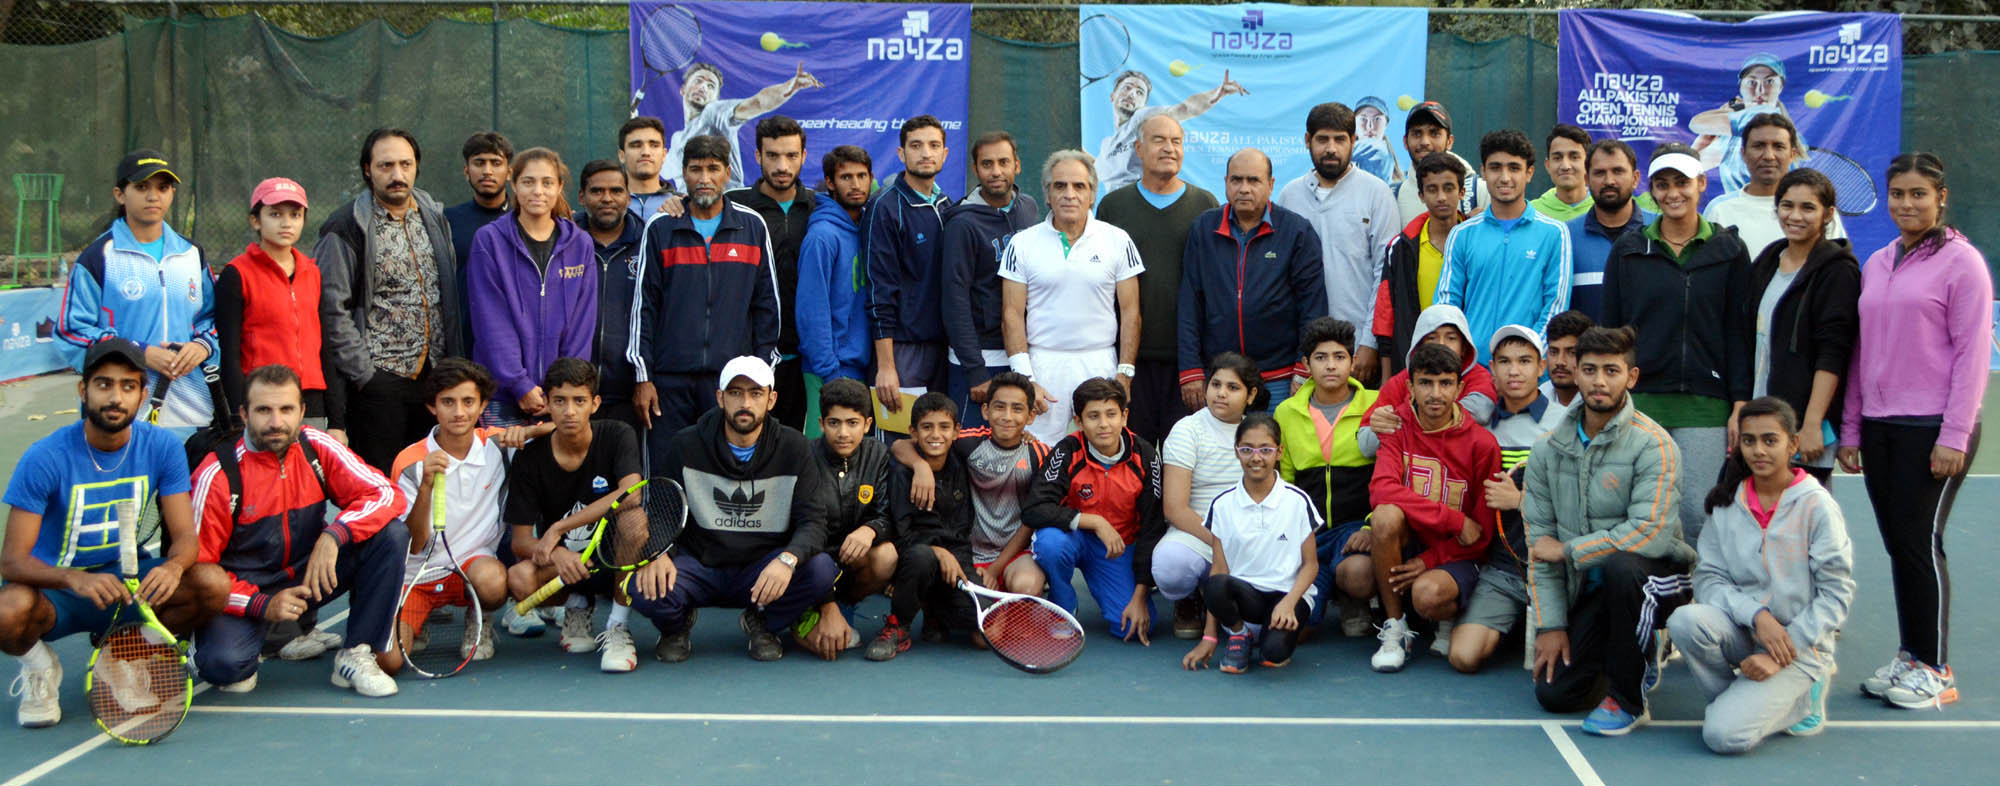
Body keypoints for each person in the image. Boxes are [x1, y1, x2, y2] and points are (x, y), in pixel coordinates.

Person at [1, 339, 227, 728]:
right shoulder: (45, 457)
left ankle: (121, 657)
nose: (115, 397)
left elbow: (186, 538)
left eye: (128, 386)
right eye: (104, 384)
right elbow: (12, 560)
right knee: (6, 613)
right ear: (83, 390)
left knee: (211, 584)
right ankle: (39, 666)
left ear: (142, 394)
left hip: (126, 584)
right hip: (56, 592)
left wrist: (173, 567)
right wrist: (72, 578)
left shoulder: (161, 448)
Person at [1837, 153, 1991, 710]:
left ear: (1940, 197)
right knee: (1900, 544)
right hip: (1880, 427)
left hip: (1934, 428)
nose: (1907, 204)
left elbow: (1974, 354)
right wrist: (1851, 427)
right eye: (1898, 194)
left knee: (1921, 543)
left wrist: (1954, 435)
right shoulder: (1878, 262)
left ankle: (1935, 668)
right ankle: (1910, 654)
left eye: (1918, 194)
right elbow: (1861, 351)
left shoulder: (1963, 262)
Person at [191, 364, 409, 697]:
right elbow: (199, 572)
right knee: (226, 669)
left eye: (286, 409)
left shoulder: (315, 447)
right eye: (264, 410)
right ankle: (253, 638)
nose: (276, 422)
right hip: (248, 592)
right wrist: (262, 604)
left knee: (391, 535)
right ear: (244, 414)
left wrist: (335, 534)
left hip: (308, 578)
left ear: (302, 411)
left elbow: (387, 493)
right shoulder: (218, 474)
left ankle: (355, 654)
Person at [1523, 326, 1695, 737]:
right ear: (1573, 374)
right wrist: (1551, 626)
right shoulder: (1547, 450)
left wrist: (1569, 551)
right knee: (1556, 695)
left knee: (1623, 568)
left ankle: (1629, 698)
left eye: (1612, 371)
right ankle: (1622, 649)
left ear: (1630, 378)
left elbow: (1649, 534)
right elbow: (1539, 546)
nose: (1600, 381)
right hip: (1589, 588)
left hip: (1661, 579)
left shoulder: (1655, 444)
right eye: (1590, 370)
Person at [1668, 397, 1854, 754]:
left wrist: (1784, 649)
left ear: (1793, 444)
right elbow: (1708, 580)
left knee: (1723, 737)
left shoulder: (1816, 506)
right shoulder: (1726, 503)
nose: (1758, 450)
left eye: (1771, 440)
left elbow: (1836, 595)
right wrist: (1756, 614)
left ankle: (1802, 697)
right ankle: (1737, 701)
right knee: (1685, 621)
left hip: (1800, 645)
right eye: (1749, 441)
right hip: (1746, 629)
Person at [626, 356, 840, 663]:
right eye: (736, 392)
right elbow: (663, 510)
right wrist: (658, 552)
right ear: (720, 397)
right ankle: (676, 626)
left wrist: (787, 558)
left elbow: (814, 522)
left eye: (755, 394)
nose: (745, 402)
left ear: (771, 400)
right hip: (700, 565)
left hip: (761, 568)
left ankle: (762, 623)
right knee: (641, 584)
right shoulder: (685, 444)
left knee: (821, 569)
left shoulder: (795, 447)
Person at [1602, 143, 1753, 542]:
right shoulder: (1629, 249)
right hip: (1641, 403)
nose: (1673, 193)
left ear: (1701, 184)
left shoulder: (1730, 250)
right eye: (1663, 184)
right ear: (1651, 191)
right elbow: (1612, 331)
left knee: (1695, 517)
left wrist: (1739, 402)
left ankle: (1696, 603)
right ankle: (1647, 603)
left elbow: (1739, 334)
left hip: (1706, 407)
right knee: (1638, 514)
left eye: (1682, 182)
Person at [629, 134, 782, 469]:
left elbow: (767, 308)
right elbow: (644, 307)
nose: (705, 178)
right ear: (683, 173)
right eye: (696, 169)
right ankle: (667, 525)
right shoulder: (660, 228)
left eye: (713, 169)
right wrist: (644, 376)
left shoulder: (751, 226)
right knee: (667, 470)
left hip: (730, 380)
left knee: (725, 470)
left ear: (728, 173)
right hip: (669, 381)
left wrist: (759, 376)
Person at [316, 128, 465, 472]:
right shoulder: (346, 226)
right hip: (379, 383)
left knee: (429, 484)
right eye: (386, 166)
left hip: (433, 381)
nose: (397, 175)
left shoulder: (431, 214)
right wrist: (365, 374)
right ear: (367, 169)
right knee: (383, 488)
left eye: (405, 164)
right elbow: (330, 308)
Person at [500, 359, 645, 671]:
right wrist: (559, 554)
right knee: (519, 579)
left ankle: (618, 627)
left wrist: (559, 529)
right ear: (547, 405)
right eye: (559, 401)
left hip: (616, 562)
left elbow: (632, 493)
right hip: (568, 568)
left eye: (579, 401)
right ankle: (576, 605)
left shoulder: (618, 434)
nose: (569, 412)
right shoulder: (530, 457)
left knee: (634, 522)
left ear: (594, 404)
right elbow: (521, 542)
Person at [1365, 343, 1500, 673]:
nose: (1435, 393)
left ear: (1460, 387)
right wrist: (1452, 519)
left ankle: (1446, 617)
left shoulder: (1483, 444)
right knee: (1384, 516)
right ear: (1410, 387)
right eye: (1426, 382)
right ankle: (1395, 628)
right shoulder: (1398, 427)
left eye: (1445, 383)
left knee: (1428, 596)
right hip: (1415, 537)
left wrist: (1429, 561)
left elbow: (1479, 535)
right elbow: (1381, 489)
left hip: (1456, 554)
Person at [57, 150, 216, 430]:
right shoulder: (98, 257)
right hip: (120, 415)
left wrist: (202, 346)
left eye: (163, 188)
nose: (153, 196)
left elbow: (214, 318)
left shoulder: (192, 254)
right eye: (141, 187)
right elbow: (72, 331)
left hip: (193, 411)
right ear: (120, 194)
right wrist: (138, 353)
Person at [1447, 326, 1569, 673]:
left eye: (1524, 361)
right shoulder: (1477, 426)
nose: (1514, 371)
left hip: (1558, 568)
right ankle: (1514, 623)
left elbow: (1579, 502)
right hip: (1502, 568)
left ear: (1541, 367)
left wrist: (1519, 502)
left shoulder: (1566, 425)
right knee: (1463, 656)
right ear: (1491, 368)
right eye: (1504, 361)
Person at [1000, 149, 1143, 445]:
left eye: (1079, 186)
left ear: (1092, 194)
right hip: (1043, 365)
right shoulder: (1022, 243)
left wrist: (1124, 374)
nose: (1069, 194)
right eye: (1059, 186)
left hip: (1100, 362)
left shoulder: (1118, 240)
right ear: (1047, 195)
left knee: (1101, 452)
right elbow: (1011, 314)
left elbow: (1131, 313)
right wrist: (1027, 378)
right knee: (1038, 454)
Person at [1095, 114, 1219, 445]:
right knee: (1135, 454)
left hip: (1189, 363)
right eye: (1159, 140)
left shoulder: (1205, 205)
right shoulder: (1113, 206)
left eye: (1176, 141)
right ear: (1138, 148)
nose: (1169, 148)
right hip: (1128, 362)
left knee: (1183, 457)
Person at [1177, 149, 1327, 411]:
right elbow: (1190, 304)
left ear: (1270, 185)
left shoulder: (1296, 231)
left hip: (1279, 380)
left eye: (1254, 180)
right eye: (1236, 180)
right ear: (1225, 183)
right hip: (1221, 380)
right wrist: (1191, 369)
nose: (1244, 188)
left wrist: (1303, 368)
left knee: (1273, 450)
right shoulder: (1204, 229)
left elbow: (1312, 308)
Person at [387, 359, 513, 665]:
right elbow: (414, 543)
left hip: (471, 569)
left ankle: (479, 618)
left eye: (468, 402)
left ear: (483, 405)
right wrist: (427, 486)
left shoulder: (498, 446)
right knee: (388, 662)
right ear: (432, 407)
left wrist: (527, 434)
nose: (459, 412)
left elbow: (560, 429)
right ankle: (418, 621)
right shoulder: (410, 462)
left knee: (495, 583)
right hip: (416, 577)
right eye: (448, 402)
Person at [1023, 378, 1165, 641]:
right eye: (1093, 416)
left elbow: (1153, 526)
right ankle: (1063, 606)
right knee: (1050, 544)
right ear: (1078, 421)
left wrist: (1140, 595)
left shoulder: (1145, 455)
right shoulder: (1067, 451)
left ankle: (1118, 590)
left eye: (1111, 414)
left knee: (1132, 628)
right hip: (1073, 537)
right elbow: (1034, 509)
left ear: (1124, 416)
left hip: (1117, 547)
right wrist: (1095, 522)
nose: (1103, 424)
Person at [1179, 414, 1321, 674]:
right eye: (1247, 449)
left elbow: (1311, 565)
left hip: (1286, 596)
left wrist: (1289, 602)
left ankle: (1270, 636)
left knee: (1274, 654)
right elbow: (1219, 570)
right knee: (1216, 584)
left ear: (1279, 452)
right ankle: (1239, 633)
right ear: (1236, 452)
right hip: (1246, 599)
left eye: (1265, 450)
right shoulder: (1221, 504)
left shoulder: (1297, 501)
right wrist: (1209, 637)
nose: (1256, 458)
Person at [467, 147, 597, 427]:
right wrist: (519, 384)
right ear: (513, 184)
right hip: (502, 396)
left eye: (547, 183)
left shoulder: (581, 244)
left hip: (561, 400)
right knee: (507, 470)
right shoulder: (489, 241)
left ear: (560, 187)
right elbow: (491, 323)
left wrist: (562, 389)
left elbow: (582, 323)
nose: (538, 191)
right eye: (528, 182)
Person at [889, 371, 1049, 596]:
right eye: (999, 407)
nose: (1007, 416)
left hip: (1014, 556)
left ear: (1030, 416)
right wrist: (920, 465)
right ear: (985, 410)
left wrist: (995, 569)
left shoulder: (1040, 454)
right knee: (973, 620)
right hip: (967, 553)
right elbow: (900, 445)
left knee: (1027, 586)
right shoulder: (968, 441)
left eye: (1017, 409)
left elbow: (1032, 519)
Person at [1747, 168, 1859, 485]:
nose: (1795, 215)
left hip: (1804, 428)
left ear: (1828, 214)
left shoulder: (1838, 271)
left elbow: (1832, 352)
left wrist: (1810, 423)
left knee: (1803, 524)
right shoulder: (1767, 261)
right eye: (1787, 205)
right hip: (1760, 421)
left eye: (1808, 207)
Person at [1274, 102, 1398, 384]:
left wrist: (1370, 343)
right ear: (1308, 141)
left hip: (1357, 349)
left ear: (1354, 141)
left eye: (1340, 139)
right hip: (1301, 352)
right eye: (1322, 139)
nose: (1331, 148)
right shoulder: (1290, 196)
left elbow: (1384, 273)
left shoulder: (1376, 193)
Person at [1150, 353, 1264, 639]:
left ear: (1251, 395)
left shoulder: (1260, 432)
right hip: (1195, 531)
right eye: (1216, 385)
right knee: (1170, 566)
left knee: (1255, 630)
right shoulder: (1187, 429)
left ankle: (1227, 600)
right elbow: (1175, 509)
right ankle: (1188, 597)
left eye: (1233, 387)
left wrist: (1245, 542)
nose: (1221, 394)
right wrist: (1220, 543)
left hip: (1247, 536)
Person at [1435, 130, 1572, 363]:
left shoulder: (1554, 233)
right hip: (1472, 372)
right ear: (1483, 172)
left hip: (1529, 373)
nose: (1505, 177)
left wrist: (1525, 358)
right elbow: (1447, 305)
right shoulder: (1462, 234)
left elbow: (1555, 309)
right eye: (1496, 167)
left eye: (1514, 168)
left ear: (1529, 173)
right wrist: (1458, 359)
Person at [866, 392, 983, 660]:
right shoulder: (900, 473)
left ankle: (936, 610)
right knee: (921, 556)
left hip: (959, 557)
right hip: (916, 557)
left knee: (983, 636)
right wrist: (937, 550)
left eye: (944, 427)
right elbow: (902, 534)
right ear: (913, 432)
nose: (936, 435)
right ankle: (898, 626)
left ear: (956, 432)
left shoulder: (963, 457)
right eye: (927, 427)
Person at [217, 178, 335, 430]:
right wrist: (240, 415)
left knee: (308, 468)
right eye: (275, 214)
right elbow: (228, 353)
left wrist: (337, 421)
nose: (286, 223)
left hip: (310, 399)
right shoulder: (236, 274)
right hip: (262, 398)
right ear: (255, 220)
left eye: (295, 214)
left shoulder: (312, 273)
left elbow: (325, 346)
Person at [794, 378, 896, 661]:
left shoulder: (878, 455)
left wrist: (870, 529)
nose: (843, 433)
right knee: (832, 647)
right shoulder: (804, 455)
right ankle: (805, 610)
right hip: (812, 564)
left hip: (851, 559)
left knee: (886, 555)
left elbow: (889, 515)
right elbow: (798, 528)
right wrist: (825, 603)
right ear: (821, 422)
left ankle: (844, 605)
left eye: (852, 423)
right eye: (834, 423)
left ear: (867, 424)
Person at [943, 131, 1039, 429]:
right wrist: (975, 370)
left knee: (1019, 447)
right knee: (974, 446)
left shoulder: (1028, 208)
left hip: (1024, 353)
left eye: (1003, 162)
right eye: (987, 164)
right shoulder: (962, 224)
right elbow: (954, 299)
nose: (996, 171)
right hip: (981, 358)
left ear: (1017, 165)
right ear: (975, 169)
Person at [727, 116, 816, 431]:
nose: (782, 165)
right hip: (748, 355)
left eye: (791, 156)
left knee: (792, 448)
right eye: (773, 156)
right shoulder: (733, 208)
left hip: (806, 358)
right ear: (757, 157)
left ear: (804, 156)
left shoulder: (820, 208)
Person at [867, 115, 957, 421]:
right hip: (903, 350)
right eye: (916, 146)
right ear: (901, 154)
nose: (926, 153)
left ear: (945, 154)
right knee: (897, 441)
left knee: (936, 441)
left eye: (934, 146)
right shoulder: (885, 206)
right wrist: (887, 366)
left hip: (944, 349)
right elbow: (879, 289)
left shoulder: (947, 205)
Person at [1374, 153, 1469, 378]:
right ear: (1421, 195)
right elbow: (1385, 315)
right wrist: (1388, 379)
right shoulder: (1401, 247)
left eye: (1449, 188)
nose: (1441, 197)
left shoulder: (1477, 242)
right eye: (1432, 189)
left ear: (1462, 192)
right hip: (1416, 366)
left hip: (1467, 365)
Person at [1702, 113, 1847, 257]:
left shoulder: (1819, 211)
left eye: (1778, 146)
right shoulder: (1719, 210)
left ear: (1792, 154)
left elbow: (1835, 268)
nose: (1769, 156)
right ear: (1743, 154)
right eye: (1758, 146)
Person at [1361, 304, 1498, 457]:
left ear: (1464, 347)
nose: (1441, 345)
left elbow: (1481, 412)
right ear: (1418, 345)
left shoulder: (1479, 375)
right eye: (1431, 338)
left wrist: (1403, 418)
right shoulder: (1400, 381)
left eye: (1451, 338)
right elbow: (1366, 445)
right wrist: (1379, 424)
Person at [663, 61, 822, 191]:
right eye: (698, 81)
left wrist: (790, 87)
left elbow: (758, 102)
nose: (703, 87)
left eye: (711, 85)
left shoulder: (714, 112)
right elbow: (664, 171)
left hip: (727, 207)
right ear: (683, 89)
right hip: (690, 213)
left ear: (716, 98)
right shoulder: (677, 138)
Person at [796, 146, 875, 391]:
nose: (855, 184)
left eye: (862, 176)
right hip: (828, 371)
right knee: (823, 432)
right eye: (846, 177)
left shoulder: (869, 228)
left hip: (861, 367)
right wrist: (829, 372)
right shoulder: (822, 236)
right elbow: (811, 310)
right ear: (830, 183)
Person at [1093, 68, 1247, 194]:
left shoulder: (1141, 119)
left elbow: (1183, 109)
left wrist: (1216, 93)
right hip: (1113, 216)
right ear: (1112, 95)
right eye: (1127, 88)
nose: (1132, 94)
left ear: (1144, 105)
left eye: (1140, 92)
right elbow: (1096, 167)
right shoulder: (1106, 145)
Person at [577, 159, 645, 434]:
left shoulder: (649, 240)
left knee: (628, 472)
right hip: (575, 390)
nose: (607, 199)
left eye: (616, 191)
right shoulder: (563, 241)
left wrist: (645, 377)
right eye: (597, 191)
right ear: (582, 196)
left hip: (631, 391)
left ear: (629, 197)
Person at [1565, 140, 1654, 321]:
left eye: (1618, 171)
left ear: (1636, 178)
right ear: (1586, 180)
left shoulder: (1660, 229)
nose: (1609, 181)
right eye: (1599, 173)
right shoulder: (1565, 236)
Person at [1690, 54, 1804, 194]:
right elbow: (1694, 166)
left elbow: (1695, 123)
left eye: (1769, 82)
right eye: (1752, 82)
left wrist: (1727, 111)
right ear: (1741, 87)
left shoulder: (1756, 116)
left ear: (1780, 87)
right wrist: (1705, 138)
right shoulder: (1734, 132)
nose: (1760, 91)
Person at [1394, 101, 1487, 223]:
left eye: (1434, 133)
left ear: (1449, 141)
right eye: (1417, 133)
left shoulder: (1479, 191)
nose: (1425, 142)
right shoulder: (1395, 196)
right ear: (1405, 142)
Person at [443, 131, 513, 287]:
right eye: (479, 163)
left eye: (496, 163)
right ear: (466, 171)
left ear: (509, 173)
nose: (487, 171)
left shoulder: (525, 219)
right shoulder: (447, 220)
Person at [1528, 124, 1593, 223]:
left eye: (1574, 157)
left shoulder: (1603, 208)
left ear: (1588, 163)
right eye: (1557, 158)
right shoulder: (1532, 212)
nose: (1565, 166)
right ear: (1547, 165)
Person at [618, 117, 675, 218]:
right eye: (636, 145)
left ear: (664, 155)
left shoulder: (680, 204)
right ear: (622, 156)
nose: (646, 152)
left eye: (654, 145)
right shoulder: (609, 204)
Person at [1539, 310, 1595, 409]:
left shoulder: (1602, 403)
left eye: (1572, 353)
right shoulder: (1539, 398)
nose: (1560, 362)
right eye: (1553, 352)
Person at [1350, 96, 1399, 185]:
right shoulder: (1350, 154)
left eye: (1377, 119)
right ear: (1354, 124)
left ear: (1386, 124)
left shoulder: (1381, 151)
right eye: (1363, 119)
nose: (1370, 126)